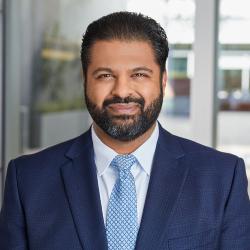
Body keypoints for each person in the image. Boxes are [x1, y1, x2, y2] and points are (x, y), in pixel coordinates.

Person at [0, 11, 250, 250]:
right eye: (105, 75)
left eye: (139, 74)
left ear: (163, 80)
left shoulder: (223, 178)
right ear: (85, 80)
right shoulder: (27, 181)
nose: (122, 91)